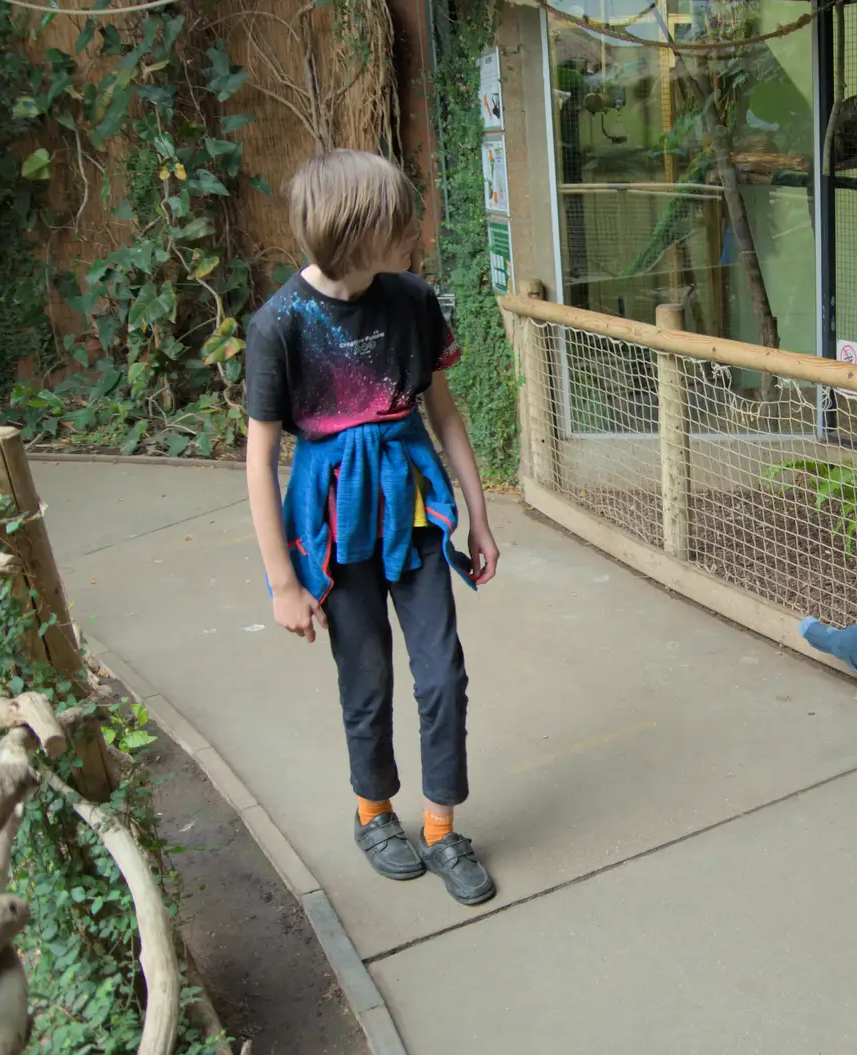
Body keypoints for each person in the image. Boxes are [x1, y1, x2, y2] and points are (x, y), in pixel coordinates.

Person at [243, 148, 500, 905]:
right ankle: (374, 810)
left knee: (442, 674)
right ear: (357, 234)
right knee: (366, 678)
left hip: (414, 512)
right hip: (333, 525)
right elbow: (259, 462)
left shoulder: (414, 299)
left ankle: (442, 827)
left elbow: (443, 412)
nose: (413, 234)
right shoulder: (278, 325)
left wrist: (477, 516)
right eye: (398, 222)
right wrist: (283, 583)